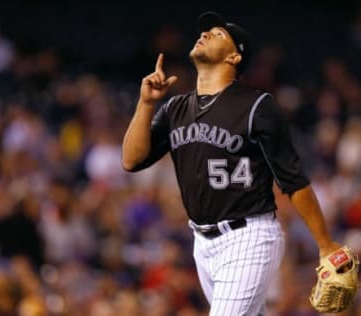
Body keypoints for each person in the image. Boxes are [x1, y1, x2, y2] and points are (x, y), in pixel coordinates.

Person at [122, 11, 342, 316]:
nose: (206, 34)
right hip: (202, 243)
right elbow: (132, 160)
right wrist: (147, 104)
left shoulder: (257, 106)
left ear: (235, 57)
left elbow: (293, 181)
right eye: (205, 31)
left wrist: (325, 243)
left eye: (218, 33)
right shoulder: (176, 108)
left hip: (248, 237)